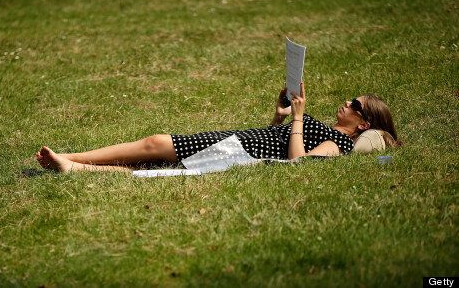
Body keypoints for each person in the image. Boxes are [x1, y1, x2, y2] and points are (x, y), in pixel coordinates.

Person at [35, 83, 400, 173]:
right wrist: (279, 117)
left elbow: (299, 162)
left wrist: (300, 119)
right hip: (241, 139)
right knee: (155, 156)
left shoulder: (340, 142)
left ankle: (71, 160)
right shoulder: (333, 129)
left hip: (238, 150)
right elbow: (277, 138)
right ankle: (73, 164)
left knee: (155, 145)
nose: (346, 104)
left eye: (355, 106)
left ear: (363, 123)